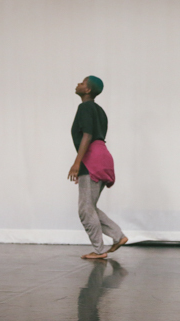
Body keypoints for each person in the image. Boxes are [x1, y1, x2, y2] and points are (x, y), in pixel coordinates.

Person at [68, 76, 128, 260]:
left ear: (87, 90)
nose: (78, 83)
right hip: (100, 157)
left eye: (82, 82)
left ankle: (99, 250)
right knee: (90, 206)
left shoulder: (85, 107)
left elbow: (87, 135)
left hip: (93, 157)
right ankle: (118, 236)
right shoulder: (99, 110)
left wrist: (78, 163)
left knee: (85, 209)